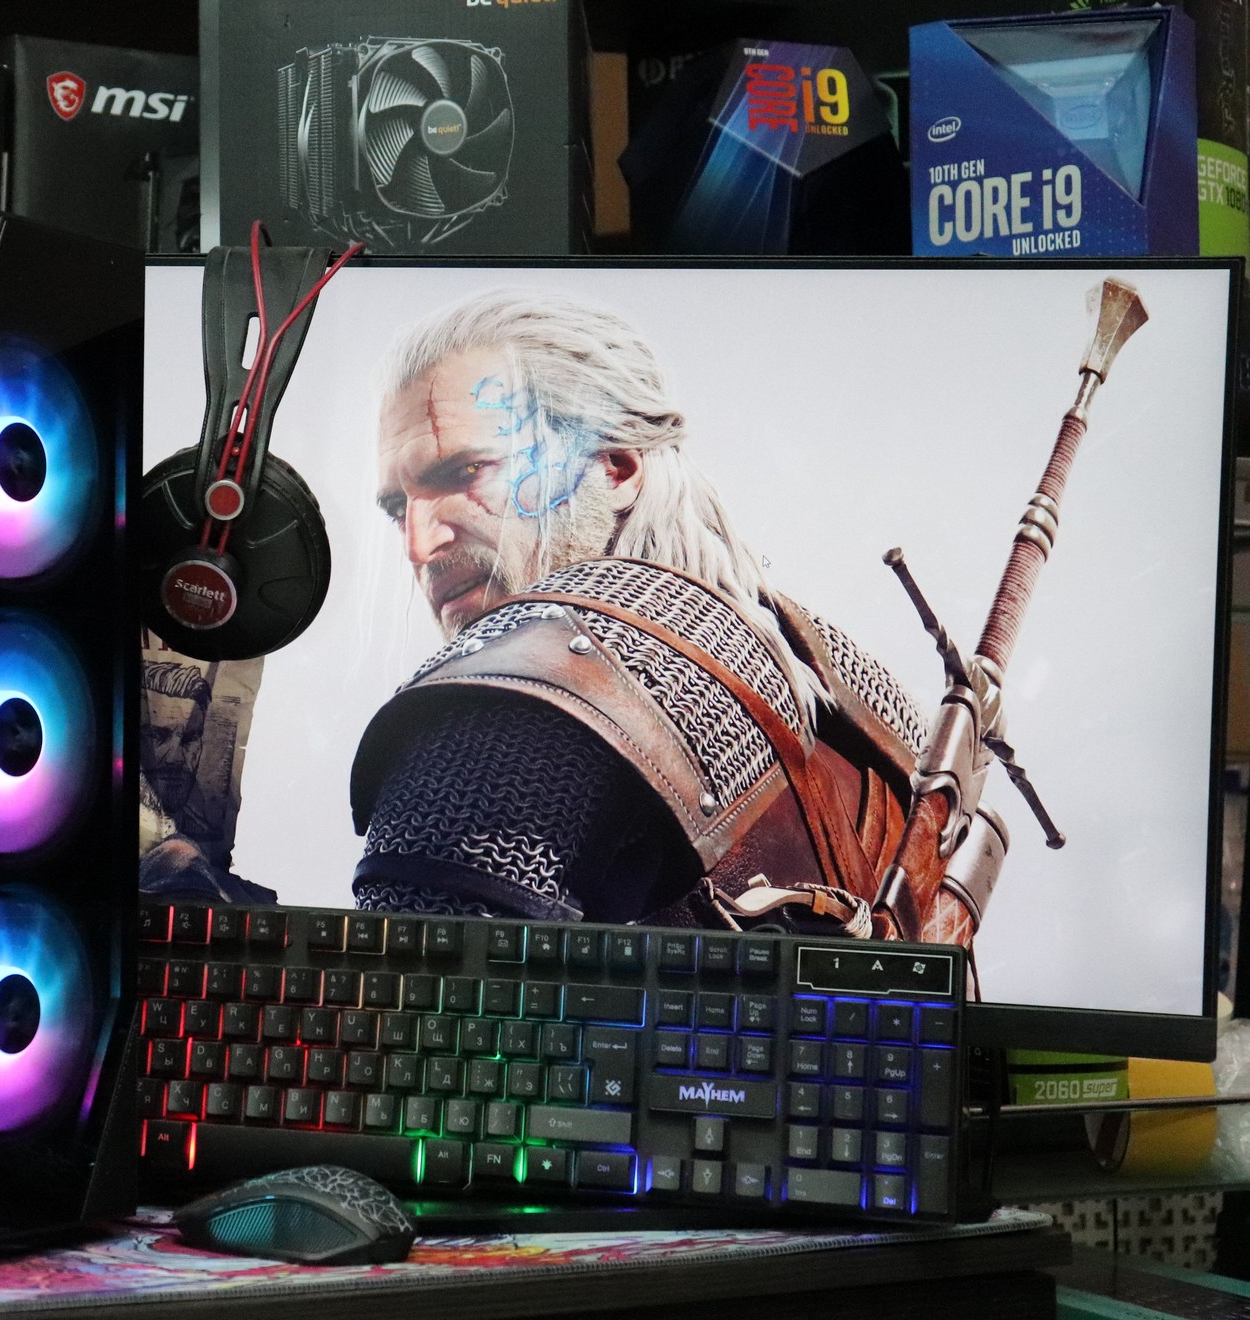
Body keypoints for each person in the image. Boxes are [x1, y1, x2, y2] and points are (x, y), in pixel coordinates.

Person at [350, 289, 970, 944]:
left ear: (615, 468)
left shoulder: (511, 707)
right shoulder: (866, 693)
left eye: (467, 470)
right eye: (397, 509)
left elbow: (411, 997)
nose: (419, 544)